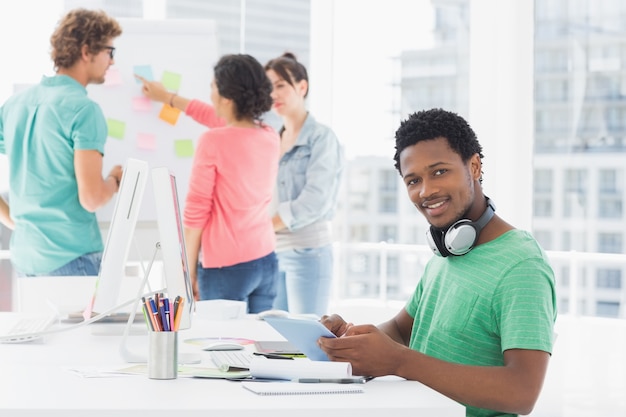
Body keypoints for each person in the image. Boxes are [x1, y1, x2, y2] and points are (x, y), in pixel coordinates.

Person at [318, 109, 557, 417]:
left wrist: (398, 361)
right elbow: (401, 331)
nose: (426, 191)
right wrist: (352, 340)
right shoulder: (447, 253)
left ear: (473, 166)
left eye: (439, 172)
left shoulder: (522, 265)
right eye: (413, 180)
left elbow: (521, 393)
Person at [137, 54, 280, 313]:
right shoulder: (269, 136)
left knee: (220, 349)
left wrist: (186, 271)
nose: (210, 94)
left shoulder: (213, 141)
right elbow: (217, 118)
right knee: (260, 349)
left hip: (225, 268)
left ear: (226, 98)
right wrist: (168, 97)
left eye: (213, 87)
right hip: (265, 261)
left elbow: (195, 216)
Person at [0, 9, 123, 276]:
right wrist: (114, 181)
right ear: (87, 51)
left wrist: (14, 219)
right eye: (109, 51)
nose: (111, 62)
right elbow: (92, 199)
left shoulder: (14, 106)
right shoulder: (83, 110)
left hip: (26, 256)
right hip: (71, 257)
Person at [264, 52, 344, 317]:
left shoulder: (321, 138)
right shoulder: (271, 140)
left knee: (305, 339)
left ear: (302, 86)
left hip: (308, 252)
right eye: (269, 87)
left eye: (280, 85)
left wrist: (263, 227)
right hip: (273, 252)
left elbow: (315, 200)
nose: (273, 94)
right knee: (274, 340)